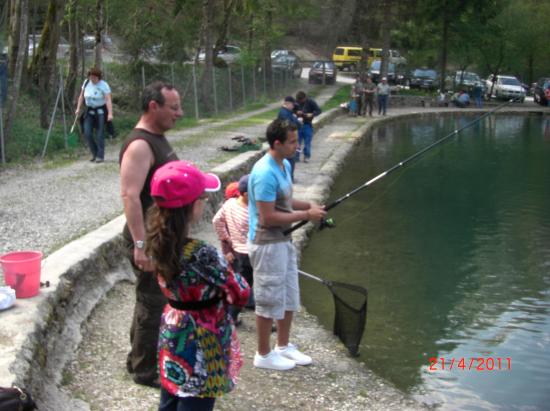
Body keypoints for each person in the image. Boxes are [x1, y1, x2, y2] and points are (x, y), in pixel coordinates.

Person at [146, 160, 250, 411]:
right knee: (198, 397)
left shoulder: (157, 243)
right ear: (192, 206)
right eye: (203, 197)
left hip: (173, 328)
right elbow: (240, 293)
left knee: (172, 389)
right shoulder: (202, 253)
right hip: (204, 336)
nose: (204, 202)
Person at [248, 119, 327, 371]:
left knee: (289, 295)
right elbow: (267, 217)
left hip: (283, 241)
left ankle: (283, 346)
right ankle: (263, 353)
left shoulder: (283, 165)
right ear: (277, 143)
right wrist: (306, 217)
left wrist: (311, 207)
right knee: (268, 298)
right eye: (292, 142)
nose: (297, 145)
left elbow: (287, 201)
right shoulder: (264, 173)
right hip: (267, 244)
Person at [119, 81, 183, 388]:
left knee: (151, 300)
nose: (179, 113)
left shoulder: (158, 139)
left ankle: (137, 358)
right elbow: (130, 196)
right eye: (174, 108)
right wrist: (141, 245)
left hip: (160, 237)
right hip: (149, 239)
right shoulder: (140, 145)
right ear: (153, 107)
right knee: (151, 301)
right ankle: (144, 372)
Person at [212, 174, 254, 325]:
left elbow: (216, 220)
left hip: (236, 251)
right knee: (250, 286)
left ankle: (231, 317)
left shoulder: (229, 203)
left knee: (239, 286)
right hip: (250, 254)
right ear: (247, 194)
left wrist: (226, 238)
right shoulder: (251, 212)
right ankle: (232, 317)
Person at [75, 67, 113, 163]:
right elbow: (81, 96)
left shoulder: (104, 85)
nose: (92, 79)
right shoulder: (86, 83)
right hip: (89, 111)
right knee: (87, 133)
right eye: (91, 76)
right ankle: (94, 153)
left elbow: (108, 100)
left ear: (99, 77)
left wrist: (110, 114)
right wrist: (78, 108)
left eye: (94, 77)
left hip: (100, 111)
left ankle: (100, 156)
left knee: (99, 134)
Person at [277, 96, 302, 180]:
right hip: (286, 140)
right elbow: (289, 127)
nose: (293, 106)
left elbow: (296, 124)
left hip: (289, 139)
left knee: (291, 159)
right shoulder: (284, 113)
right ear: (287, 104)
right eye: (292, 104)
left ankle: (289, 177)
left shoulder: (288, 112)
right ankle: (288, 178)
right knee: (289, 159)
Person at [294, 91, 321, 163]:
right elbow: (292, 110)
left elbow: (319, 110)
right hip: (298, 125)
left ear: (305, 98)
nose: (300, 101)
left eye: (302, 100)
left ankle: (306, 156)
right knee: (297, 141)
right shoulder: (296, 102)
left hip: (307, 124)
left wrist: (312, 114)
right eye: (299, 100)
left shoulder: (311, 102)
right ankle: (296, 156)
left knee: (307, 141)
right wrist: (296, 112)